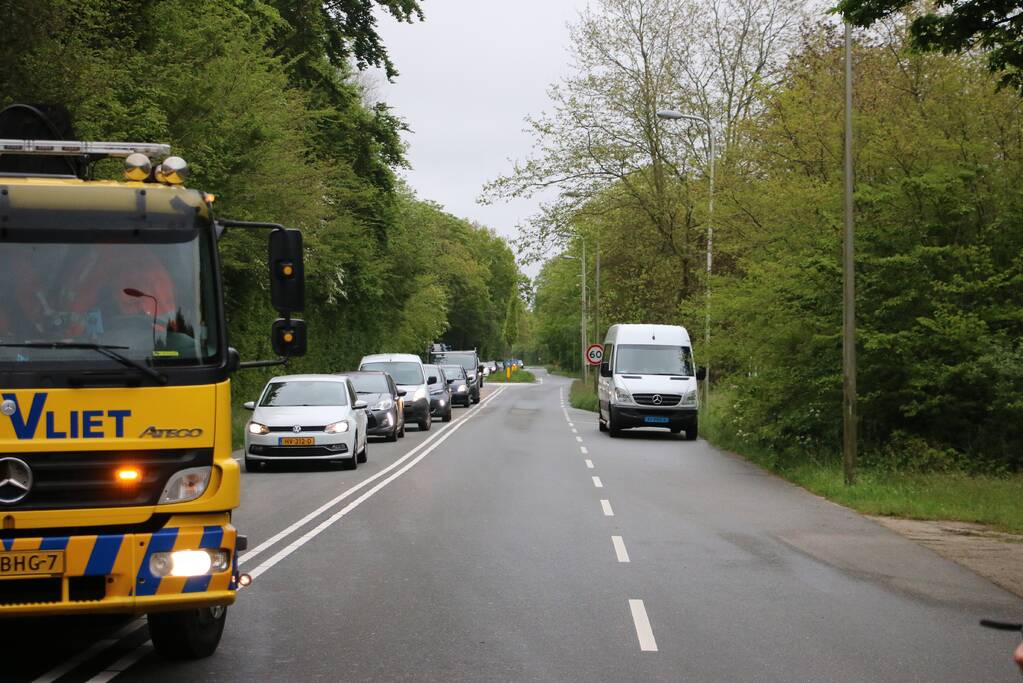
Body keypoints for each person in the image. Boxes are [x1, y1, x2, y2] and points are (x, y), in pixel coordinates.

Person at [59, 244, 178, 344]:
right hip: (145, 342)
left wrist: (72, 335)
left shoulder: (103, 257)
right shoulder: (98, 256)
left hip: (150, 345)